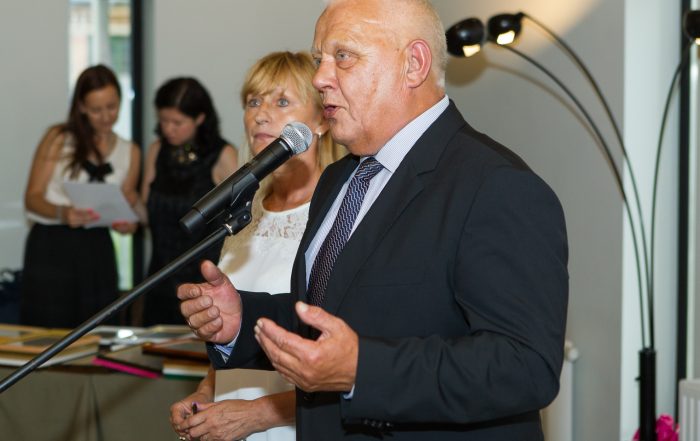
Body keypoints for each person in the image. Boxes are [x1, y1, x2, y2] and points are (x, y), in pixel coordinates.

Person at [178, 0, 569, 440]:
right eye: (319, 60)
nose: (320, 78)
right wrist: (243, 320)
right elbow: (333, 314)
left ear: (413, 64)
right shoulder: (340, 179)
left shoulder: (496, 185)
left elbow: (524, 366)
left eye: (343, 56)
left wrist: (362, 371)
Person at [170, 51, 344, 441]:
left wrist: (256, 415)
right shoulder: (244, 213)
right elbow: (232, 332)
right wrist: (205, 394)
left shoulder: (339, 212)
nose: (261, 115)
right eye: (253, 102)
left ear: (321, 120)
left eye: (281, 101)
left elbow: (342, 364)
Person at [21, 64, 141, 328]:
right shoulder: (58, 138)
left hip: (97, 248)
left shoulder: (129, 151)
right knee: (48, 330)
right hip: (51, 244)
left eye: (112, 107)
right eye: (96, 110)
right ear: (82, 107)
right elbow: (32, 197)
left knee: (96, 330)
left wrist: (127, 224)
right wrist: (63, 213)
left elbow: (128, 206)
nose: (106, 116)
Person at [141, 77, 238, 326]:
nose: (168, 129)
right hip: (159, 276)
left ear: (200, 118)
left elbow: (243, 217)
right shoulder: (157, 150)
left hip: (202, 281)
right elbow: (145, 209)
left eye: (177, 122)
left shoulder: (223, 155)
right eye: (163, 120)